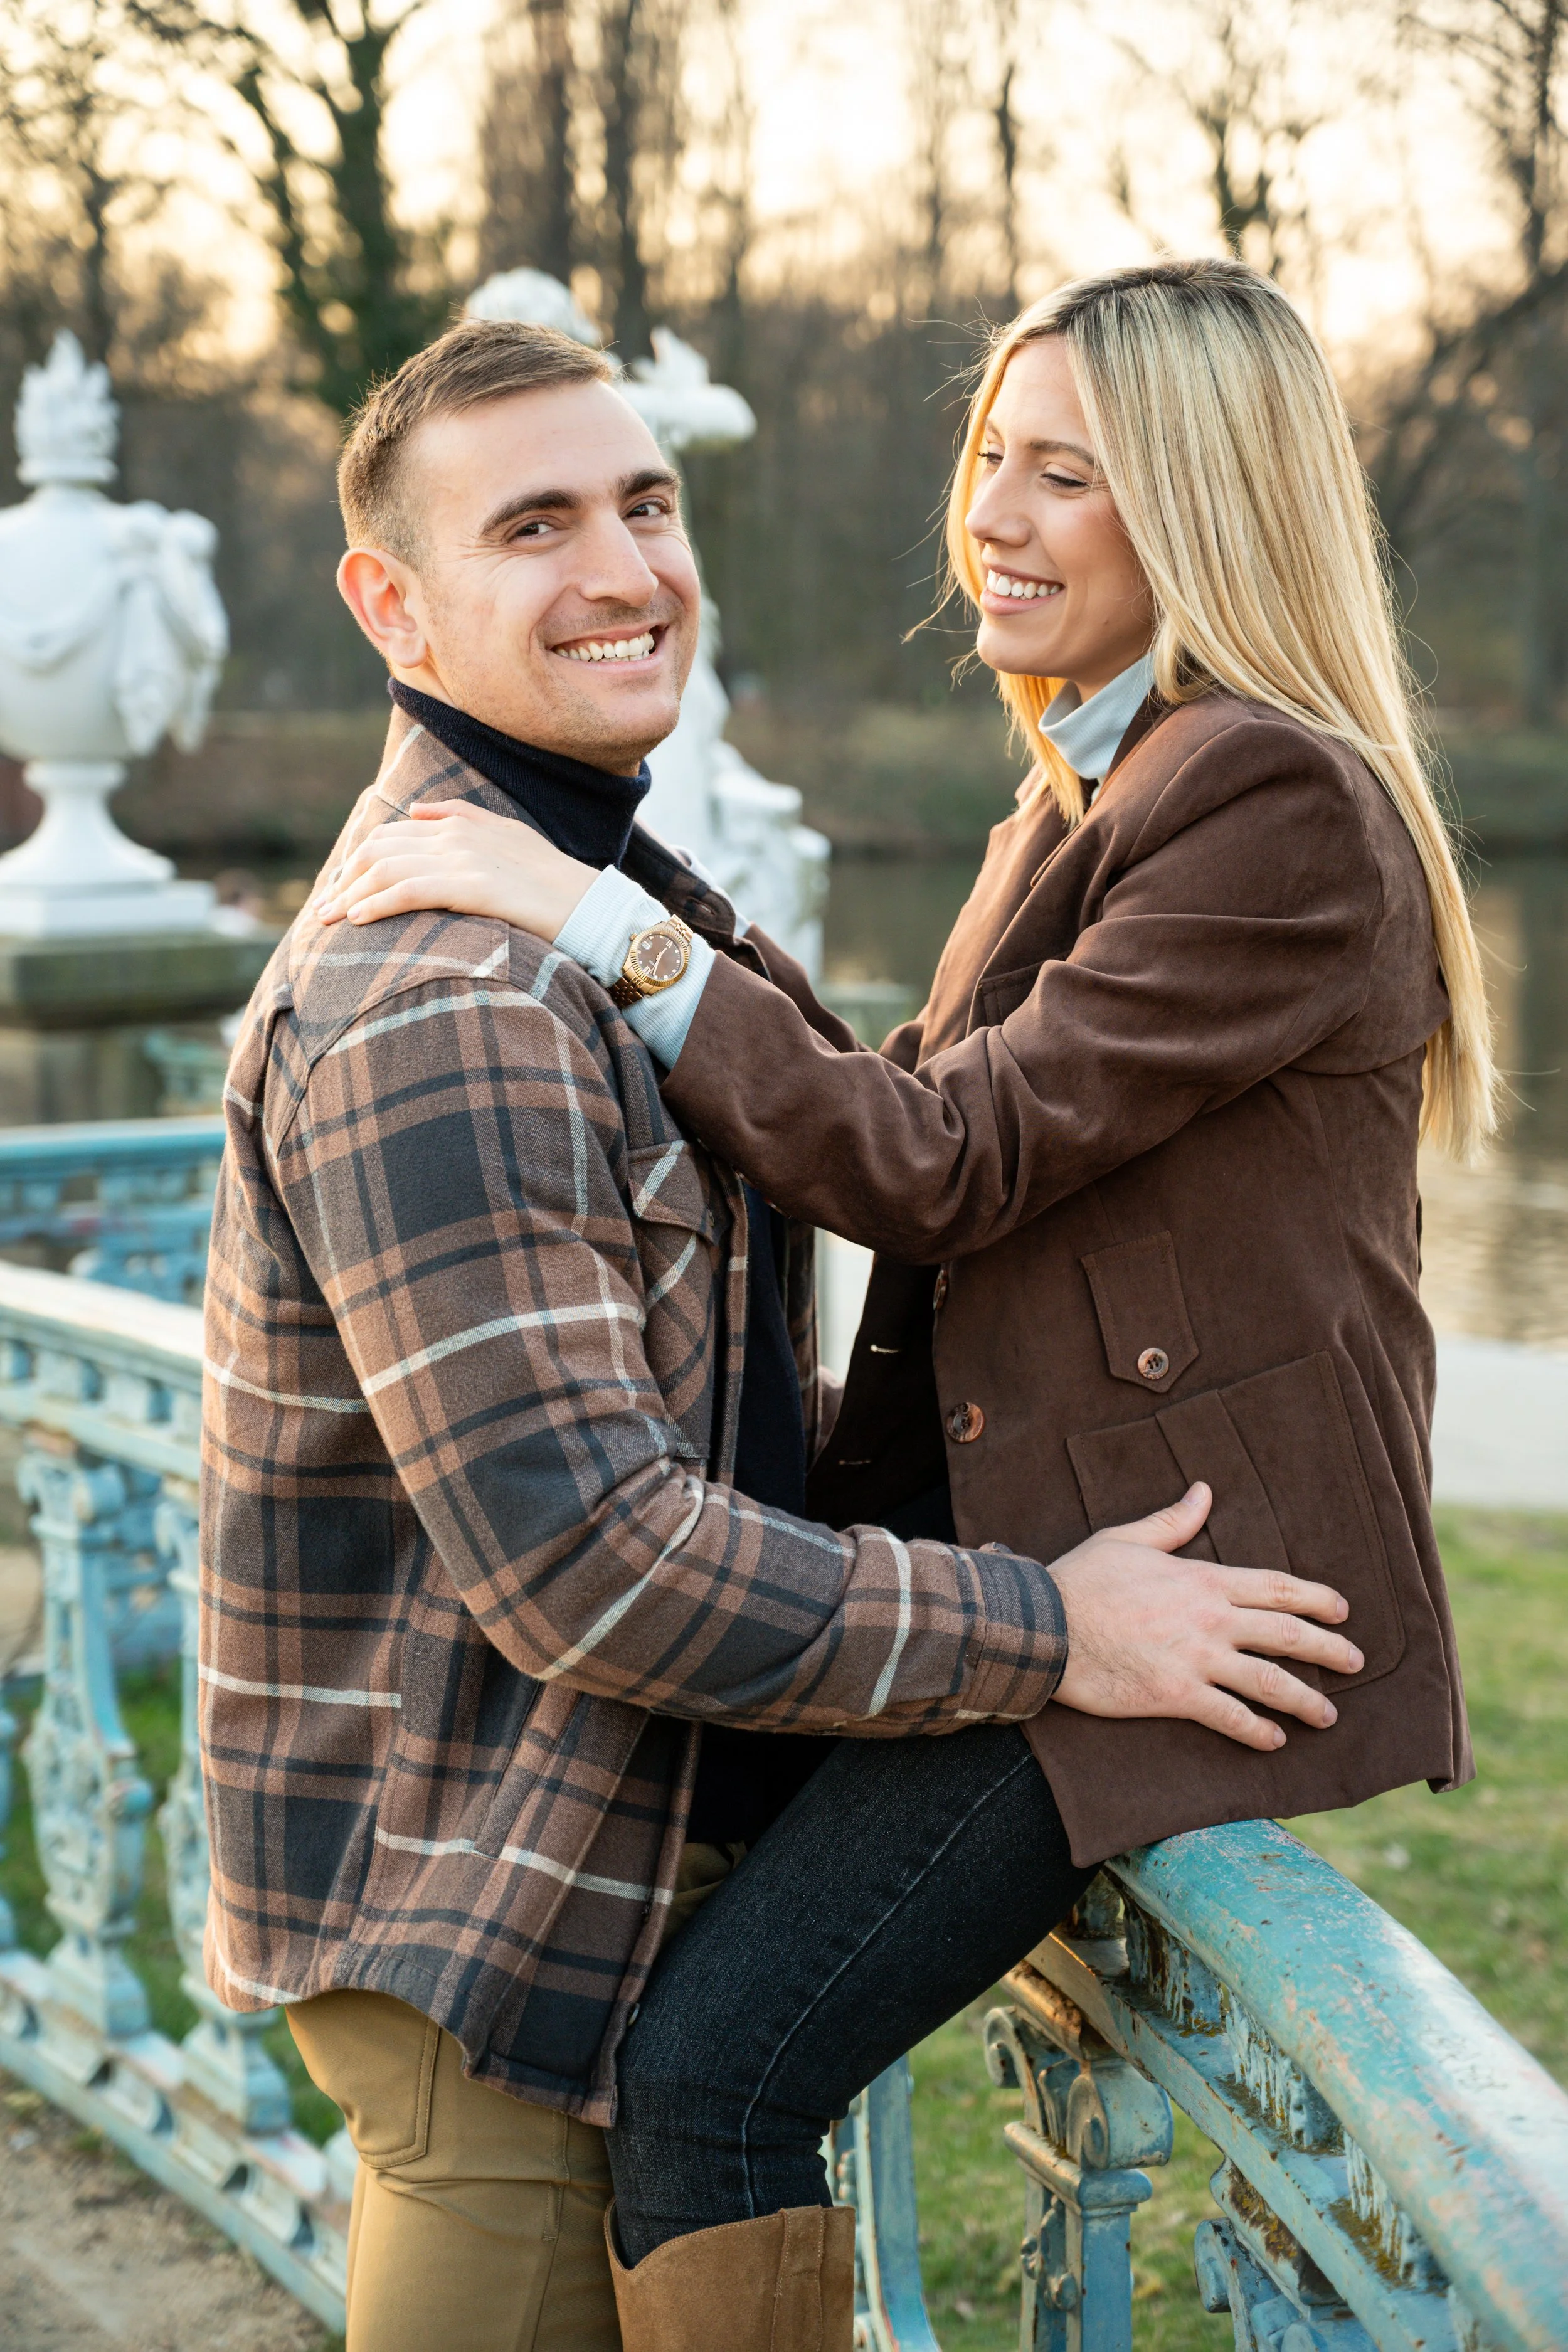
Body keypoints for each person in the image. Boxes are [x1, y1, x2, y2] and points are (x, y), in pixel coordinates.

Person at [317, 258, 1491, 2346]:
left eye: (1068, 479)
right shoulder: (1086, 787)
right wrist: (582, 883)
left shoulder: (1271, 798)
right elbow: (919, 1090)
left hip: (1199, 1590)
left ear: (1208, 515)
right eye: (988, 462)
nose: (994, 520)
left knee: (709, 2082)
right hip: (1060, 1565)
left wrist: (589, 913)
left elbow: (936, 1159)